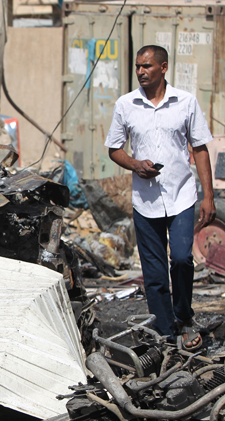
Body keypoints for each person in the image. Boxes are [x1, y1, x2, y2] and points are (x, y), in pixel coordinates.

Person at [105, 45, 215, 350]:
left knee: (181, 259)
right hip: (146, 200)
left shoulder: (186, 103)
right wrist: (135, 164)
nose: (140, 71)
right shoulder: (126, 105)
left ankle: (183, 318)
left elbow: (201, 149)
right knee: (154, 275)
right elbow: (114, 149)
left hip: (181, 196)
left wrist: (208, 197)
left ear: (163, 68)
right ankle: (165, 334)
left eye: (147, 66)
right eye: (138, 66)